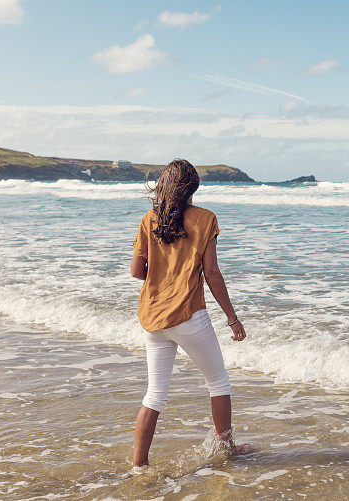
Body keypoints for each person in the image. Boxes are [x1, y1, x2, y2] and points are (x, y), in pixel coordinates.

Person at [130, 159, 248, 468]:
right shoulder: (206, 219)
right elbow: (212, 273)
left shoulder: (148, 219)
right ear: (193, 187)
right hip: (188, 315)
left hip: (152, 318)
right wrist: (232, 318)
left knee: (154, 394)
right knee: (219, 383)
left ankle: (138, 466)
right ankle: (228, 449)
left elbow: (136, 271)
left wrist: (163, 270)